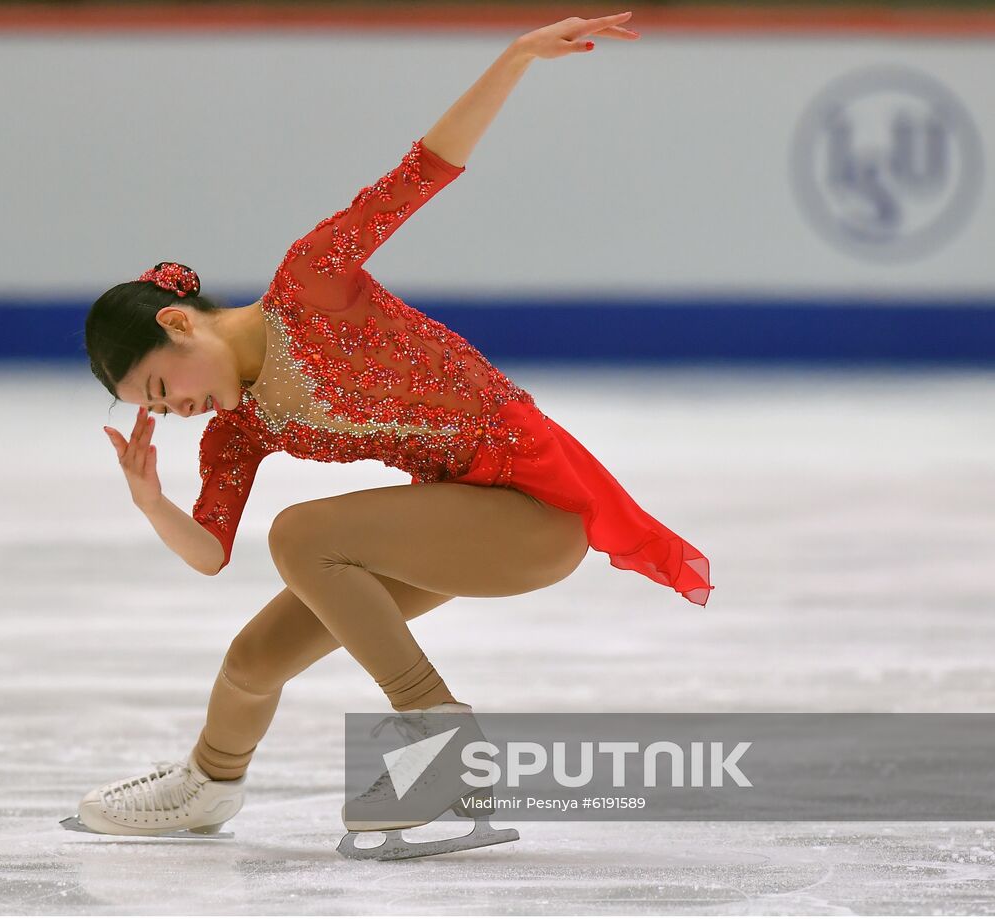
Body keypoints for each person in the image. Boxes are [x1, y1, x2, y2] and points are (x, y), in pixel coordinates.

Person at [71, 10, 710, 842]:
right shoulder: (241, 427)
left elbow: (425, 170)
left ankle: (439, 740)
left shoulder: (310, 284)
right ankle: (208, 784)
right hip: (461, 521)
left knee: (302, 535)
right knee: (255, 657)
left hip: (535, 509)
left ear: (181, 324)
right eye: (154, 408)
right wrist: (152, 501)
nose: (172, 411)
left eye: (161, 386)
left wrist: (515, 58)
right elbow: (211, 551)